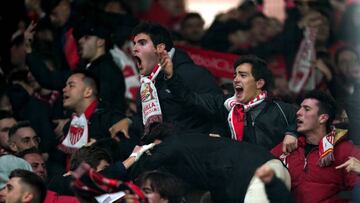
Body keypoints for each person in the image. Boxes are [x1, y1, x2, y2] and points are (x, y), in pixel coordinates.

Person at [161, 54, 298, 152]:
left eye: (243, 75)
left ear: (259, 83)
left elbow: (310, 119)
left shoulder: (281, 109)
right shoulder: (225, 105)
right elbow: (190, 98)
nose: (236, 80)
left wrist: (292, 133)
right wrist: (171, 77)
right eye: (235, 75)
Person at [128, 123, 292, 203]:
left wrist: (134, 159)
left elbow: (147, 163)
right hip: (273, 170)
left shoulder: (172, 144)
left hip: (256, 175)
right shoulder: (195, 155)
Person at [130, 21, 222, 136]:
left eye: (142, 43)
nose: (134, 48)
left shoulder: (194, 74)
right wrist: (128, 122)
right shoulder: (146, 84)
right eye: (134, 43)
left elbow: (217, 112)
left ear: (160, 47)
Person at [271, 90, 360, 203]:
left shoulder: (345, 151)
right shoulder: (287, 147)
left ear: (322, 118)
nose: (298, 112)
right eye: (300, 108)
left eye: (306, 109)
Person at [25, 18, 127, 113]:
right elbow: (49, 79)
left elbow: (103, 110)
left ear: (100, 42)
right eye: (79, 38)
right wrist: (29, 50)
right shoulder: (84, 70)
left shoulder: (108, 71)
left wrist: (69, 122)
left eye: (86, 37)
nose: (80, 41)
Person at [57, 72, 133, 159]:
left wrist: (101, 147)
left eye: (71, 86)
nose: (64, 89)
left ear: (88, 92)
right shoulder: (68, 127)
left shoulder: (110, 118)